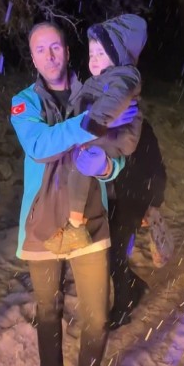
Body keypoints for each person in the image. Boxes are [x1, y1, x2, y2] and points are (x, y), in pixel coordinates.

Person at [10, 21, 137, 366]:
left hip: (91, 221)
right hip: (43, 224)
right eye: (40, 49)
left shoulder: (101, 90)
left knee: (97, 318)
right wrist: (93, 121)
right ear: (32, 57)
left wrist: (108, 167)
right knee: (48, 311)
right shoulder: (24, 102)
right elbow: (39, 145)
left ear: (67, 52)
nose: (49, 56)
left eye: (55, 47)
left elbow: (116, 151)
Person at [58, 14, 147, 252]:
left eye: (101, 53)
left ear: (118, 55)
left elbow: (116, 98)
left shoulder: (124, 76)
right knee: (80, 164)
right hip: (107, 132)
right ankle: (76, 223)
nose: (94, 59)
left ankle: (76, 224)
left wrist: (95, 121)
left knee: (81, 163)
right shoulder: (100, 79)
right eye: (91, 54)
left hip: (117, 134)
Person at [107, 119, 167, 329]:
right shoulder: (100, 121)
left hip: (130, 202)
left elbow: (156, 169)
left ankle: (122, 309)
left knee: (116, 255)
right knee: (108, 255)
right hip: (104, 201)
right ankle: (134, 285)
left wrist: (153, 204)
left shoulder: (141, 128)